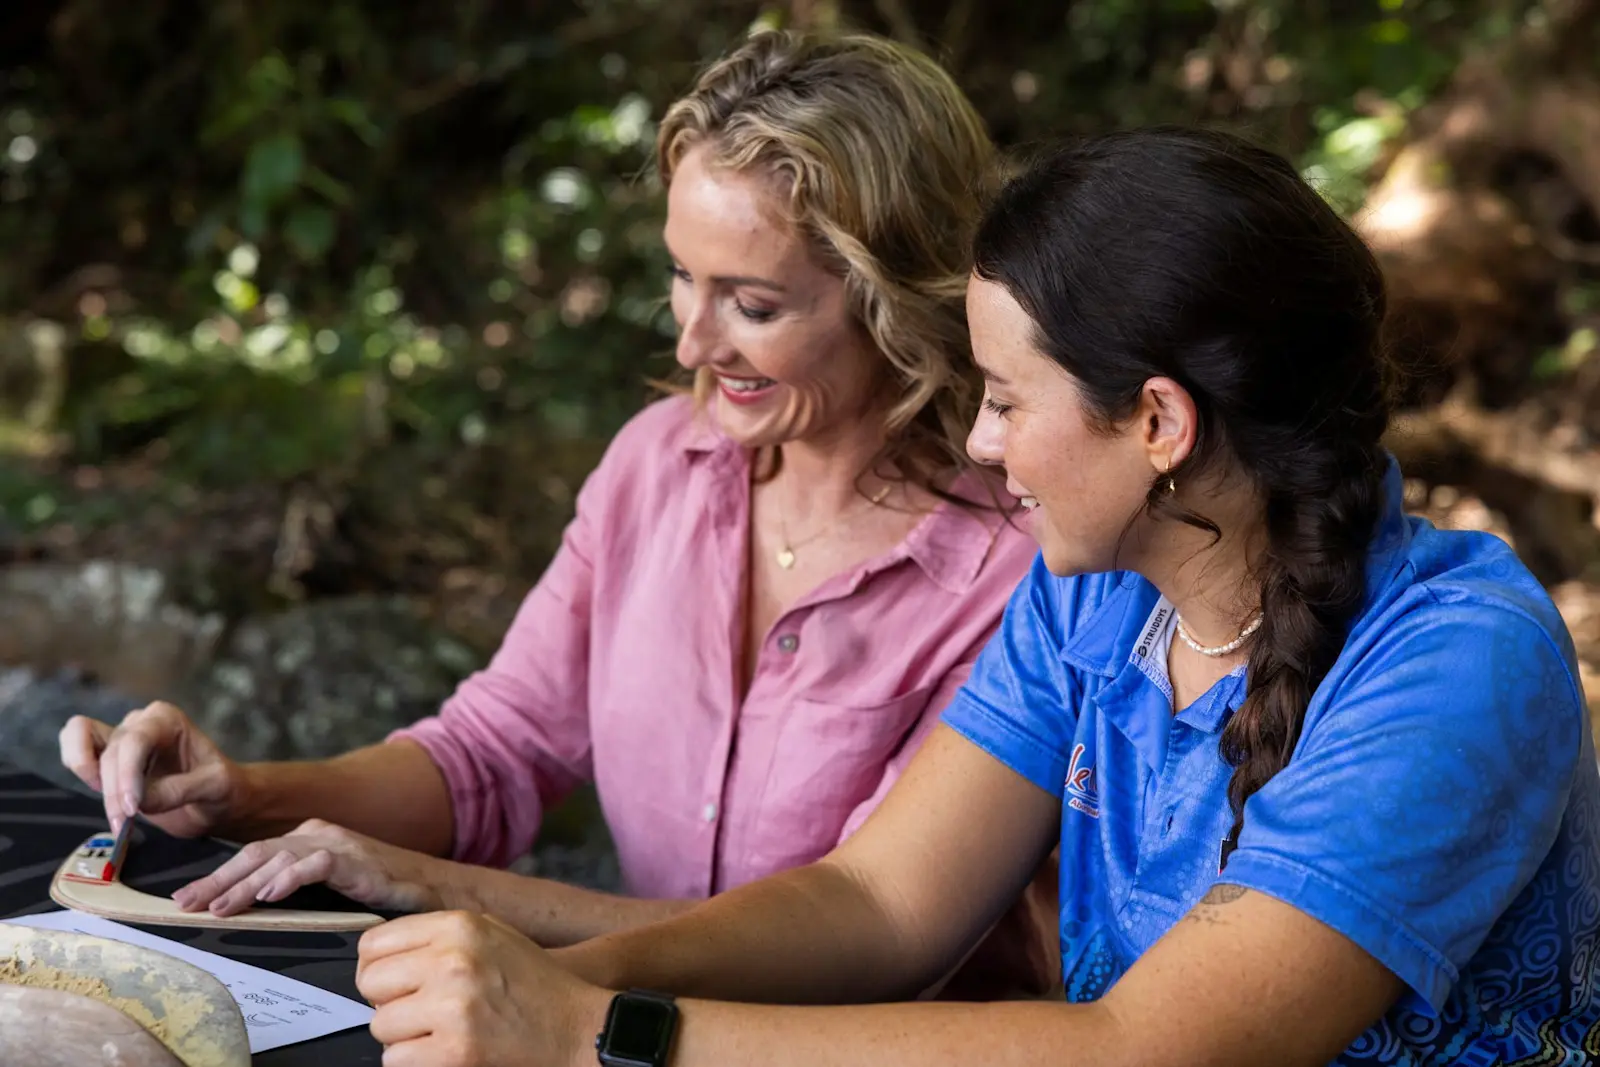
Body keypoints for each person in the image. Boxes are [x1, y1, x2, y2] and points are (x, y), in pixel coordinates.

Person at [343, 125, 1600, 1067]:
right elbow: (878, 899)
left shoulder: (1455, 659)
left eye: (1003, 400)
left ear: (1157, 420)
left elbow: (1135, 1050)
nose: (981, 446)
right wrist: (557, 971)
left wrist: (596, 1029)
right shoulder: (1099, 596)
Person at [58, 30, 1053, 994]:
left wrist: (443, 893)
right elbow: (495, 751)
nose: (694, 345)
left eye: (751, 305)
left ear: (895, 297)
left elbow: (853, 928)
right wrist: (248, 793)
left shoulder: (1020, 567)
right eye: (680, 277)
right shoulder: (658, 466)